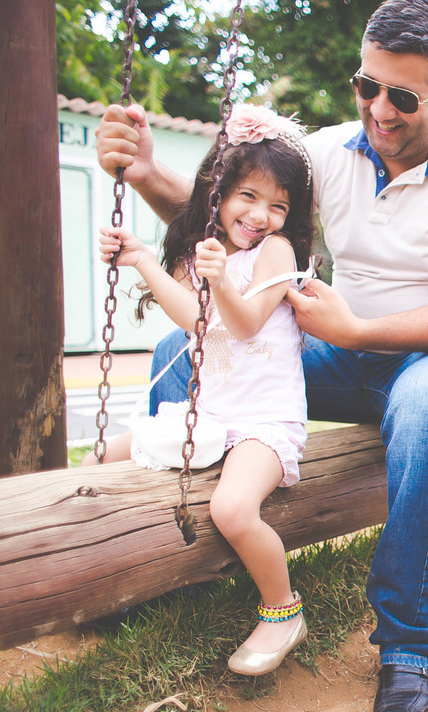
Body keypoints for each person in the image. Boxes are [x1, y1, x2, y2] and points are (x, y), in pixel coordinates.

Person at [96, 0, 428, 712]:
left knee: (426, 404)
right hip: (345, 348)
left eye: (402, 97)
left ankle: (409, 644)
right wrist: (145, 173)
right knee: (180, 352)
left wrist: (356, 330)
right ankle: (164, 564)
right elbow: (238, 215)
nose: (379, 110)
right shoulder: (332, 152)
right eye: (367, 86)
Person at [85, 104, 314, 676]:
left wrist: (219, 280)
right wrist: (142, 260)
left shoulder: (276, 252)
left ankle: (283, 611)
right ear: (218, 192)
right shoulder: (199, 253)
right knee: (100, 458)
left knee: (231, 509)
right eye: (248, 196)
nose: (261, 215)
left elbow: (244, 323)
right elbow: (194, 318)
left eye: (278, 205)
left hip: (264, 423)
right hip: (210, 416)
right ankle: (98, 573)